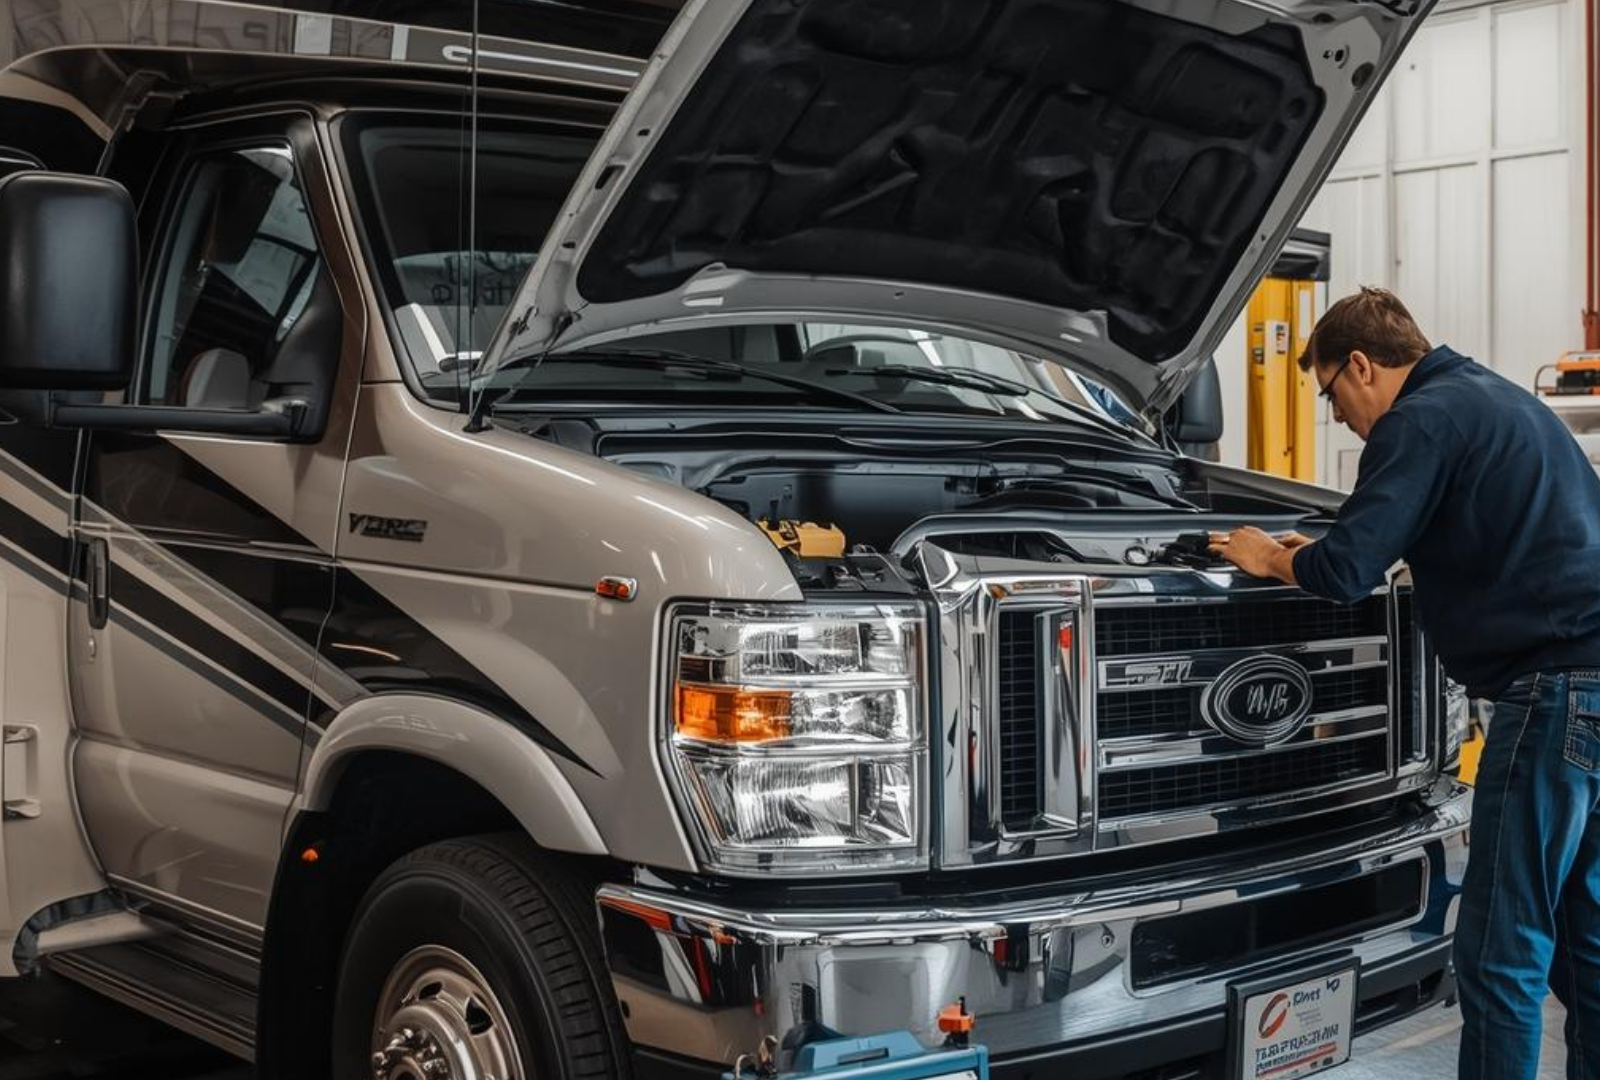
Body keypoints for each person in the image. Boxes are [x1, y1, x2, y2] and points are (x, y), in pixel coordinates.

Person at [1209, 287, 1600, 1080]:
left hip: (1550, 695)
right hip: (1593, 690)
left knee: (1500, 952)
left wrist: (1269, 556)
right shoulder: (1494, 399)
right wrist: (1315, 542)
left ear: (1361, 363)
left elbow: (1349, 570)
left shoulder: (1417, 419)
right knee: (1586, 940)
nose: (1344, 418)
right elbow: (1382, 532)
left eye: (1332, 395)